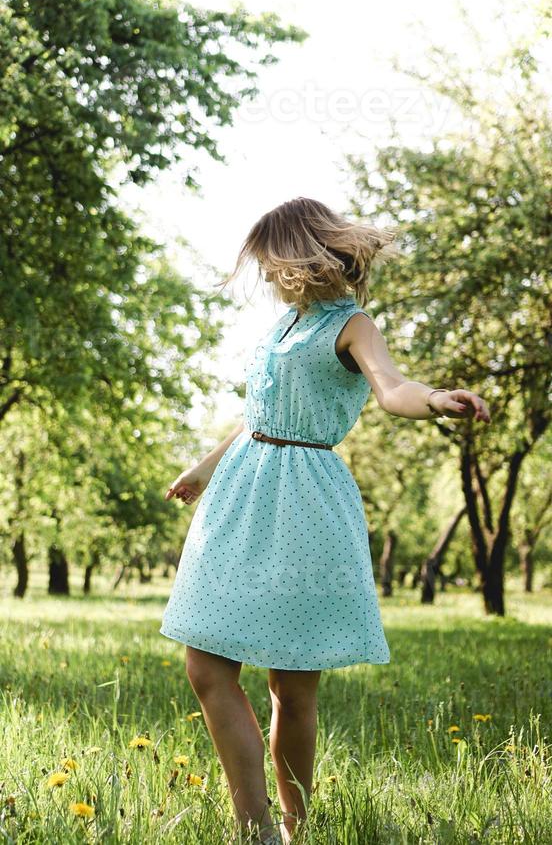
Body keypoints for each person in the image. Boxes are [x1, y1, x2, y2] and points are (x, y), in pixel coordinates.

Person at [160, 197, 491, 844]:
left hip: (302, 502)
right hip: (241, 491)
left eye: (268, 261)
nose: (265, 275)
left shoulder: (352, 324)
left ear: (299, 252)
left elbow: (391, 388)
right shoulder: (282, 325)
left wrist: (437, 400)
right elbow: (260, 413)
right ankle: (252, 827)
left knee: (292, 683)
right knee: (205, 666)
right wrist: (204, 468)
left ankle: (293, 829)